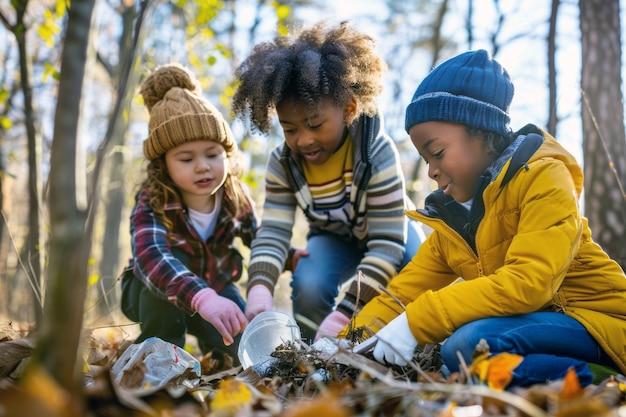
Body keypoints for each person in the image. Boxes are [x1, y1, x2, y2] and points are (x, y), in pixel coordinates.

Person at [342, 49, 626, 387]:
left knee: (465, 345)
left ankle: (605, 380)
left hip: (599, 325)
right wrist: (346, 341)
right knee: (465, 358)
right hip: (534, 329)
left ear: (483, 135)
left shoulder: (545, 177)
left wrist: (418, 321)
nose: (431, 170)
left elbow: (528, 283)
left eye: (438, 153)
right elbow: (400, 295)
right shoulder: (454, 226)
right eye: (424, 158)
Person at [231, 21, 425, 342]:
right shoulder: (283, 163)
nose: (304, 140)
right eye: (290, 129)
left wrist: (345, 312)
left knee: (417, 273)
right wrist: (260, 288)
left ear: (348, 108)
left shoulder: (375, 152)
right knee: (308, 282)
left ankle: (397, 347)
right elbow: (274, 231)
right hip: (333, 239)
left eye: (315, 124)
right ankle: (314, 355)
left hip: (392, 236)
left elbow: (387, 246)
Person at [120, 63, 258, 365]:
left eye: (212, 154)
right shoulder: (152, 199)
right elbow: (151, 257)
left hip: (217, 290)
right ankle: (159, 358)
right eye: (186, 158)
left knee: (241, 345)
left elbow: (259, 240)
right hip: (156, 294)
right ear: (163, 164)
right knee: (169, 268)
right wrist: (202, 297)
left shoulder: (235, 196)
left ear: (226, 154)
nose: (202, 166)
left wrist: (286, 255)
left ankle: (220, 360)